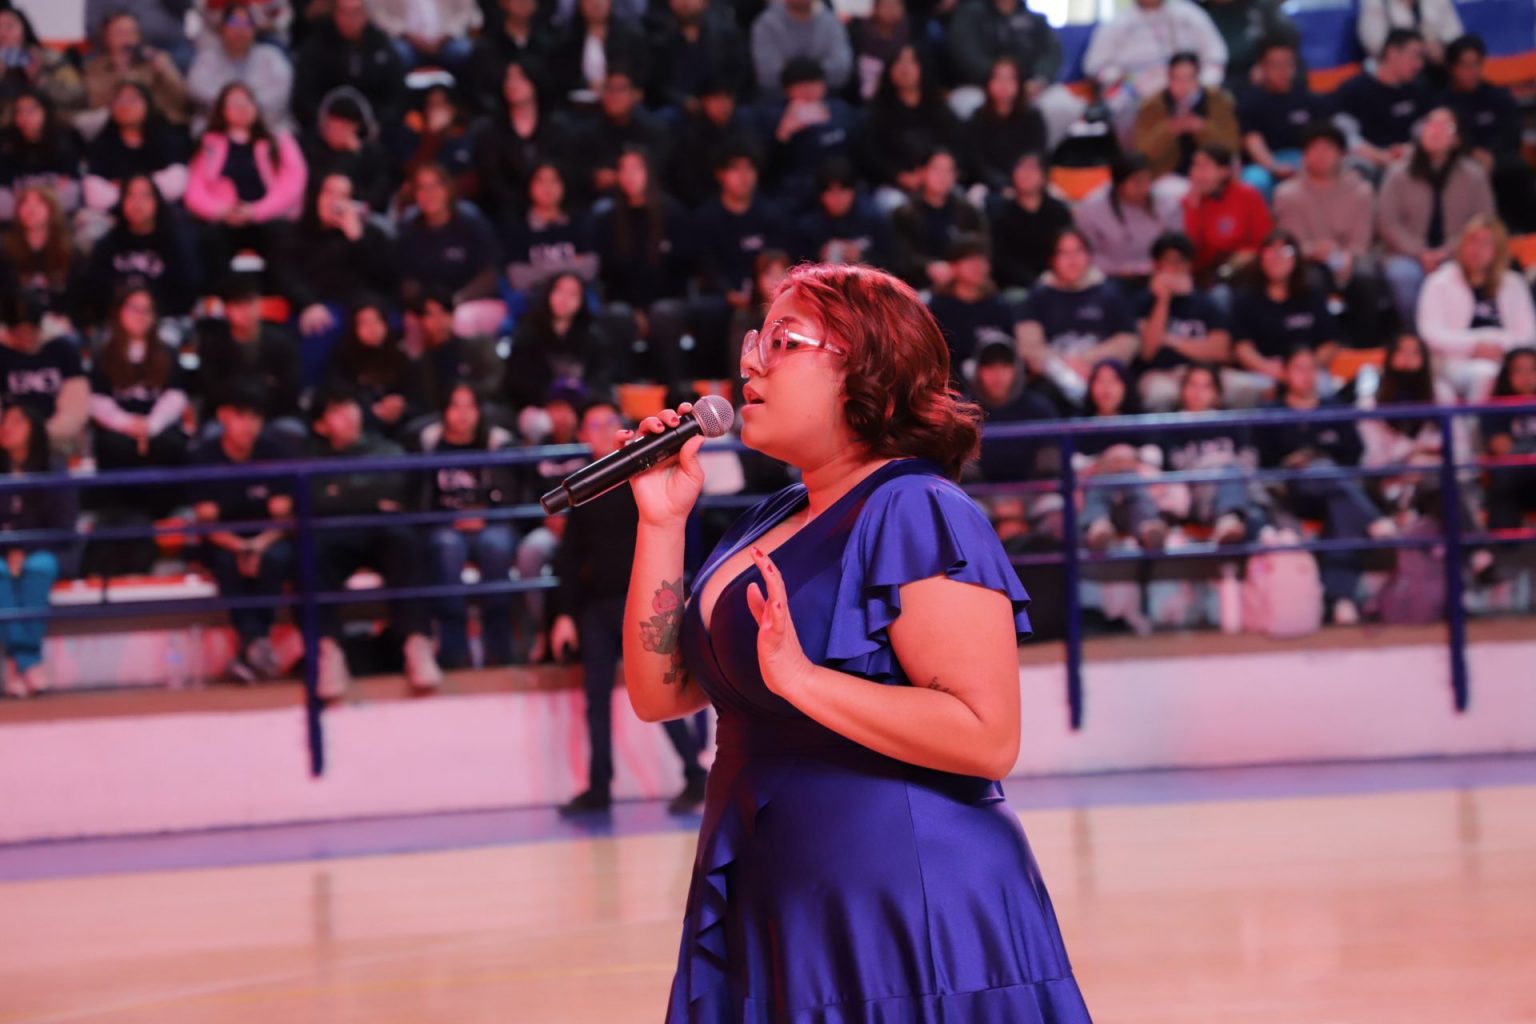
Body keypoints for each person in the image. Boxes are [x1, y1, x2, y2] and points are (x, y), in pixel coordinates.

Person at [619, 262, 1092, 1018]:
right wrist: (661, 521)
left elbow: (987, 734)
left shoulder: (920, 508)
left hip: (908, 914)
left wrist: (805, 680)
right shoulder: (771, 515)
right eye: (755, 340)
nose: (751, 363)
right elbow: (658, 694)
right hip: (777, 902)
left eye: (784, 341)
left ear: (867, 371)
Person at [551, 398, 709, 817]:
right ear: (582, 436)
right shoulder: (585, 486)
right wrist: (563, 614)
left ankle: (695, 775)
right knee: (596, 700)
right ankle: (598, 787)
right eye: (593, 425)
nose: (603, 431)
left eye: (609, 422)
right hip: (597, 607)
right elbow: (569, 557)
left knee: (662, 691)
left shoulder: (645, 474)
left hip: (640, 603)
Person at [306, 382, 443, 698]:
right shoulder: (312, 459)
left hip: (381, 530)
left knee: (407, 542)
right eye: (336, 411)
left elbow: (394, 485)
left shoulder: (385, 449)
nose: (348, 414)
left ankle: (417, 644)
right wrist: (367, 494)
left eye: (350, 405)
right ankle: (328, 652)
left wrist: (340, 492)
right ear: (320, 425)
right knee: (311, 554)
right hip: (336, 535)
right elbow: (314, 500)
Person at [1255, 345, 1396, 625]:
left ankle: (1340, 599)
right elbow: (1263, 463)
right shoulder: (1271, 412)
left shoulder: (1335, 408)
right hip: (1291, 492)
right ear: (1286, 373)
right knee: (1325, 477)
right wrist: (1291, 462)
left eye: (1312, 368)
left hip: (1335, 489)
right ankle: (1373, 520)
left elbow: (1354, 453)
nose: (1306, 375)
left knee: (1339, 503)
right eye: (1299, 368)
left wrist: (1321, 457)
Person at [190, 382, 293, 683]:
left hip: (268, 539)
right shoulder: (204, 457)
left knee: (276, 559)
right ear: (223, 416)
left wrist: (258, 545)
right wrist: (240, 547)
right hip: (224, 541)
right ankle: (256, 644)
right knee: (226, 564)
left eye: (255, 417)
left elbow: (284, 516)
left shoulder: (275, 452)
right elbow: (206, 521)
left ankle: (249, 648)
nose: (249, 425)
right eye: (241, 416)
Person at [420, 384, 519, 669]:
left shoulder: (497, 442)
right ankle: (454, 651)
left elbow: (511, 494)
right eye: (455, 405)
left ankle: (499, 651)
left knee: (496, 547)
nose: (462, 414)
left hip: (492, 522)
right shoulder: (430, 443)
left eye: (469, 406)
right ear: (444, 411)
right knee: (446, 548)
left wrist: (486, 515)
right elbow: (423, 499)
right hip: (446, 525)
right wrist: (449, 518)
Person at [1377, 106, 1494, 332]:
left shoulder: (1474, 176)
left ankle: (1457, 336)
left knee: (1460, 274)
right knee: (1403, 276)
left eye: (1445, 126)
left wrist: (1447, 251)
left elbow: (1484, 220)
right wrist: (1420, 252)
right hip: (1407, 254)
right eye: (1430, 124)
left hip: (1459, 252)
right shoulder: (1397, 173)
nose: (1435, 130)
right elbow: (1387, 223)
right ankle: (1419, 338)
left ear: (1457, 139)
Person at [1273, 122, 1386, 347]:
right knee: (1310, 280)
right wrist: (1315, 250)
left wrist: (1346, 257)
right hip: (1307, 260)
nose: (1320, 155)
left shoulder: (1361, 191)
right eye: (1313, 149)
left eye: (1328, 149)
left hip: (1350, 257)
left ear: (1342, 154)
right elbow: (1290, 242)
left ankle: (1364, 347)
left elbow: (1361, 242)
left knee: (1366, 278)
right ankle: (1315, 348)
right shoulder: (1287, 193)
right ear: (1304, 155)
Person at [184, 81, 307, 271]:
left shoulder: (279, 139)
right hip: (224, 218)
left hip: (268, 217)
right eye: (234, 103)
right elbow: (194, 191)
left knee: (281, 236)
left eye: (247, 101)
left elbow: (293, 184)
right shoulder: (208, 144)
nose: (242, 108)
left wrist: (256, 211)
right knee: (207, 239)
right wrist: (221, 211)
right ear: (222, 110)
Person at [1015, 226, 1139, 413]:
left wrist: (1090, 363)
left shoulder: (1110, 293)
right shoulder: (1037, 296)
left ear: (1089, 255)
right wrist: (1064, 368)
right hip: (1054, 379)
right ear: (1052, 259)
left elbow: (1128, 340)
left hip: (1101, 375)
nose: (1072, 259)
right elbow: (1030, 348)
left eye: (1077, 251)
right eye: (1064, 253)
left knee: (1114, 385)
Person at [1416, 214, 1536, 401]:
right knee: (1485, 374)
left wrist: (1498, 347)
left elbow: (1527, 335)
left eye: (1486, 243)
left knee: (1503, 372)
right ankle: (1476, 420)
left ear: (1497, 250)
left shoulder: (1514, 283)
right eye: (1472, 241)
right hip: (1453, 361)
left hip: (1507, 361)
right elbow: (1430, 334)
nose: (1477, 249)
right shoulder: (1438, 282)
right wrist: (1474, 347)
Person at [1, 403, 75, 699]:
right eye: (4, 421)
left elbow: (64, 525)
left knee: (39, 567)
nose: (7, 427)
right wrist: (9, 551)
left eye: (17, 421)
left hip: (46, 549)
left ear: (34, 428)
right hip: (3, 554)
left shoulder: (54, 468)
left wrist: (26, 549)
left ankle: (18, 661)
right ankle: (29, 662)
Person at [1082, 0, 1227, 141]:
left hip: (1189, 81)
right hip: (1136, 89)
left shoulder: (1189, 14)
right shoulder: (1117, 23)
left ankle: (1215, 154)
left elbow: (1216, 55)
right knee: (1120, 103)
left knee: (1218, 100)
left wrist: (1201, 84)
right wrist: (1126, 79)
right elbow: (1095, 66)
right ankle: (1135, 156)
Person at [1161, 362, 1263, 543]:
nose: (1198, 392)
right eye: (1193, 385)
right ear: (1183, 389)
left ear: (1216, 393)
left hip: (1238, 488)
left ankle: (1232, 523)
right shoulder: (1171, 425)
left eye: (1206, 386)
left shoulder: (1231, 422)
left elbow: (1249, 460)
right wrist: (1220, 462)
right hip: (1197, 496)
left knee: (1257, 513)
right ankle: (1228, 520)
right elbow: (1178, 468)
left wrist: (1222, 465)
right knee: (1231, 471)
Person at [79, 174, 201, 325]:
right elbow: (95, 290)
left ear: (156, 202)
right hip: (116, 323)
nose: (137, 202)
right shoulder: (107, 244)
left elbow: (186, 289)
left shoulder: (174, 244)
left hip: (163, 320)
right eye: (130, 195)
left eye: (145, 195)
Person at [1230, 230, 1342, 390]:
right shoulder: (1246, 299)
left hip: (1308, 372)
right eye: (1270, 252)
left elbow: (1330, 343)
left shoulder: (1312, 296)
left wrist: (1304, 368)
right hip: (1263, 373)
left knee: (1325, 385)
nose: (1277, 258)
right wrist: (1265, 367)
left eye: (1285, 252)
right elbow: (1242, 347)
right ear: (1261, 259)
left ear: (1296, 259)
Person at [1076, 358, 1167, 552]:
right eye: (1100, 381)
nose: (1106, 389)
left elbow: (1155, 456)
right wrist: (1106, 462)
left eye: (1113, 381)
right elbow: (1074, 463)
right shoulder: (1082, 425)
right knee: (1103, 477)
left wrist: (1130, 457)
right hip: (1095, 496)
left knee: (1128, 476)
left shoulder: (1139, 422)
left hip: (1134, 498)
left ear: (1125, 385)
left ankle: (1149, 527)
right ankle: (1097, 527)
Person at [194, 274, 303, 432]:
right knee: (211, 433)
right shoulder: (212, 344)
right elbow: (211, 390)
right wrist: (262, 383)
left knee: (293, 431)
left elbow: (290, 389)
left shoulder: (282, 340)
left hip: (274, 416)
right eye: (239, 305)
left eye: (250, 303)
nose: (246, 311)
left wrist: (239, 387)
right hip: (228, 419)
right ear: (227, 310)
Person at [1136, 231, 1231, 410]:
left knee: (1244, 387)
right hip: (1162, 373)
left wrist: (1170, 339)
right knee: (1159, 393)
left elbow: (1220, 351)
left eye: (1182, 261)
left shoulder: (1206, 301)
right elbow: (1148, 351)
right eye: (1170, 261)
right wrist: (1163, 299)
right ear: (1156, 265)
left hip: (1206, 375)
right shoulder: (1143, 302)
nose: (1176, 268)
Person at [1132, 51, 1239, 203]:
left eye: (1189, 78)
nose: (1183, 85)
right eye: (1177, 78)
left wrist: (1201, 128)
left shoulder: (1219, 101)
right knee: (1167, 195)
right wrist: (1169, 130)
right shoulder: (1151, 107)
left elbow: (1232, 146)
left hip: (1214, 175)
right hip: (1167, 175)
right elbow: (1142, 152)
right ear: (1169, 78)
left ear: (1198, 77)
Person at [81, 82, 190, 221]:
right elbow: (95, 193)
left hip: (163, 210)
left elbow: (176, 182)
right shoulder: (102, 143)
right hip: (113, 215)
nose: (125, 105)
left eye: (132, 99)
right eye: (120, 100)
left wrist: (123, 187)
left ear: (148, 104)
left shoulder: (166, 138)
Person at [291, 0, 405, 131]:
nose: (349, 19)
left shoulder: (381, 47)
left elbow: (396, 96)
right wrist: (331, 126)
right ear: (334, 14)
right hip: (325, 130)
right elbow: (303, 98)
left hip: (373, 129)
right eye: (343, 12)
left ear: (366, 15)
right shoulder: (315, 48)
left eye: (355, 12)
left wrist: (372, 125)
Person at [1330, 29, 1430, 178]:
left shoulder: (1419, 89)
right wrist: (1379, 156)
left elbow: (1426, 127)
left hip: (1411, 161)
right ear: (1392, 52)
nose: (1420, 64)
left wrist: (1410, 149)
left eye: (1422, 58)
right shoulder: (1353, 90)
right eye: (1415, 56)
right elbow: (1344, 134)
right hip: (1367, 163)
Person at [505, 272, 611, 410]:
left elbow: (600, 379)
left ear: (582, 300)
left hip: (582, 407)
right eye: (559, 291)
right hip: (537, 407)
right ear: (549, 293)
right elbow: (518, 382)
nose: (565, 299)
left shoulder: (593, 337)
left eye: (573, 294)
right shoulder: (527, 334)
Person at [1235, 35, 1323, 200]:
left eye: (1288, 63)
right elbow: (1252, 141)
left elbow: (1321, 138)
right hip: (1263, 163)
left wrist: (1309, 164)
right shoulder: (1250, 102)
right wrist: (1274, 167)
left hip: (1303, 159)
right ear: (1262, 67)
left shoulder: (1308, 99)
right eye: (1275, 64)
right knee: (1254, 181)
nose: (1282, 70)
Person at [0, 290, 87, 455]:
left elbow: (75, 409)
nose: (25, 338)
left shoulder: (62, 349)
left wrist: (39, 435)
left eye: (30, 332)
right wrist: (13, 435)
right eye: (19, 333)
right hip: (8, 443)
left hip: (58, 441)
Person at [888, 148, 988, 291]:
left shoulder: (968, 211)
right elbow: (901, 257)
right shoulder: (905, 213)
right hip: (918, 286)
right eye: (937, 169)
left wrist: (958, 269)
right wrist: (928, 267)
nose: (943, 176)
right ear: (922, 172)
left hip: (963, 286)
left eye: (949, 170)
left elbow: (980, 249)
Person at [186, 2, 293, 133]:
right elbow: (196, 90)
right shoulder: (207, 59)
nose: (240, 30)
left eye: (246, 24)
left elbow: (280, 95)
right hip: (216, 129)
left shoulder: (271, 57)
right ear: (222, 29)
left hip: (266, 129)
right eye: (234, 23)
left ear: (254, 29)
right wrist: (231, 110)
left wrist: (245, 110)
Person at [326, 299, 425, 440]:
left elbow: (419, 401)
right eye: (365, 323)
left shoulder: (400, 359)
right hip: (360, 428)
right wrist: (372, 411)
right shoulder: (342, 359)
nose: (372, 328)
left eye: (377, 321)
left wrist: (401, 406)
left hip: (401, 427)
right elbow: (338, 397)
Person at [80, 9, 191, 132]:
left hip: (157, 126)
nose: (127, 38)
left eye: (132, 32)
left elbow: (183, 102)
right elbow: (93, 103)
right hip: (113, 128)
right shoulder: (94, 68)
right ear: (106, 37)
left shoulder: (154, 61)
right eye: (120, 32)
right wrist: (121, 71)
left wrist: (166, 72)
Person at [1073, 153, 1175, 285]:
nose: (1145, 187)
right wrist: (1119, 269)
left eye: (1148, 180)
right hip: (1107, 278)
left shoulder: (1165, 202)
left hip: (1158, 275)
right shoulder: (1091, 208)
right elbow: (1086, 253)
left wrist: (1159, 267)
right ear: (1119, 184)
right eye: (1137, 182)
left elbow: (1176, 245)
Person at [1182, 142, 1271, 287]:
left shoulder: (1248, 196)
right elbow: (1189, 254)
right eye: (1194, 165)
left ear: (1224, 171)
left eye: (1204, 166)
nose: (1197, 173)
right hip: (1205, 276)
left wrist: (1239, 260)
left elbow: (1263, 240)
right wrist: (1193, 209)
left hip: (1245, 270)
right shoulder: (1187, 202)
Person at [961, 56, 1048, 195]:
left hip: (1027, 183)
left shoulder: (1033, 118)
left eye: (1009, 79)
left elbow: (1038, 155)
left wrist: (1023, 181)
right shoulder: (976, 120)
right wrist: (1002, 185)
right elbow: (976, 163)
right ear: (988, 82)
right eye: (998, 78)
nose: (1003, 85)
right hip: (987, 186)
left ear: (1019, 83)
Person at [987, 150, 1071, 292]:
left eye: (1032, 169)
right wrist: (1035, 282)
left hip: (1056, 280)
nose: (1026, 174)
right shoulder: (1000, 214)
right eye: (1021, 168)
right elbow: (1000, 261)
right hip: (1015, 286)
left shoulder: (1059, 212)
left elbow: (1066, 249)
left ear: (1044, 176)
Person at [0, 89, 84, 219]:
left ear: (45, 111)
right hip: (20, 197)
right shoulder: (7, 140)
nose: (24, 117)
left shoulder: (64, 136)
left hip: (54, 195)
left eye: (31, 111)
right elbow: (6, 180)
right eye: (19, 111)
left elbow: (70, 177)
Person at [749, 0, 853, 100]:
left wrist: (794, 71)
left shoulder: (831, 23)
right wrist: (813, 73)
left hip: (825, 97)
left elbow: (841, 68)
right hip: (776, 99)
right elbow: (767, 73)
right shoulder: (766, 24)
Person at [1481, 347, 1536, 534]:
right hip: (1514, 479)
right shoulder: (1495, 407)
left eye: (1532, 369)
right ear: (1507, 374)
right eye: (1519, 370)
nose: (1527, 377)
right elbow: (1502, 448)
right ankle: (1504, 543)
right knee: (1506, 471)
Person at [367, 0, 481, 71]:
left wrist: (446, 35)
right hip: (406, 41)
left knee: (464, 51)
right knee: (396, 55)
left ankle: (463, 98)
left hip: (446, 40)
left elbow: (465, 12)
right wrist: (408, 35)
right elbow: (379, 16)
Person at [1357, 0, 1460, 70]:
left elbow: (1455, 35)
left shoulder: (1438, 2)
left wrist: (1442, 47)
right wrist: (1420, 49)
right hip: (1395, 68)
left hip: (1438, 65)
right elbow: (1375, 45)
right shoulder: (1376, 3)